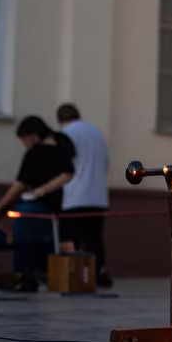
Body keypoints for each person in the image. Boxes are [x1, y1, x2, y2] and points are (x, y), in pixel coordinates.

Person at [0, 116, 75, 291]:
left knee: (24, 241)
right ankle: (39, 275)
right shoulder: (61, 147)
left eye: (23, 139)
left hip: (33, 207)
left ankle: (23, 276)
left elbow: (19, 185)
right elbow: (67, 174)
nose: (23, 144)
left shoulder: (35, 153)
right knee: (44, 242)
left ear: (32, 136)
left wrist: (0, 207)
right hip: (55, 208)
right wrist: (46, 190)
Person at [56, 104, 112, 287]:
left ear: (61, 120)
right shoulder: (97, 133)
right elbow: (106, 163)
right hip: (98, 196)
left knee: (72, 239)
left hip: (74, 196)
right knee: (94, 238)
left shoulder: (66, 134)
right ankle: (99, 273)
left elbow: (63, 165)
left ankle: (75, 278)